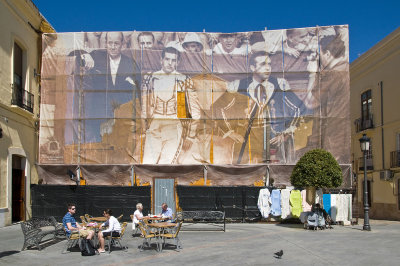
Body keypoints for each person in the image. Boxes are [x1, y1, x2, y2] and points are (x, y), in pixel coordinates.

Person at [232, 51, 309, 164]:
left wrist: (286, 134)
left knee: (274, 176)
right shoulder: (238, 85)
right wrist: (231, 132)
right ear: (253, 67)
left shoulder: (280, 84)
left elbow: (300, 110)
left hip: (275, 146)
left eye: (269, 64)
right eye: (263, 64)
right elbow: (220, 111)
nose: (268, 68)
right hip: (248, 146)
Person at [141, 47, 201, 164]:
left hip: (174, 125)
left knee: (166, 164)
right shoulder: (150, 78)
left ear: (178, 62)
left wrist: (190, 136)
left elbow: (194, 111)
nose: (170, 63)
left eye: (173, 60)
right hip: (154, 125)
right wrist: (144, 130)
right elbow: (144, 108)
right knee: (147, 163)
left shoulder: (183, 80)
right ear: (161, 60)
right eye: (167, 59)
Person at [78, 31, 141, 143]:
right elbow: (75, 56)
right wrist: (85, 54)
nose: (112, 47)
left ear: (122, 44)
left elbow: (138, 89)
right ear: (105, 43)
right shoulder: (96, 56)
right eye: (110, 43)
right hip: (98, 113)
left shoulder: (130, 63)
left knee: (118, 148)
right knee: (100, 147)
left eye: (116, 43)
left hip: (120, 115)